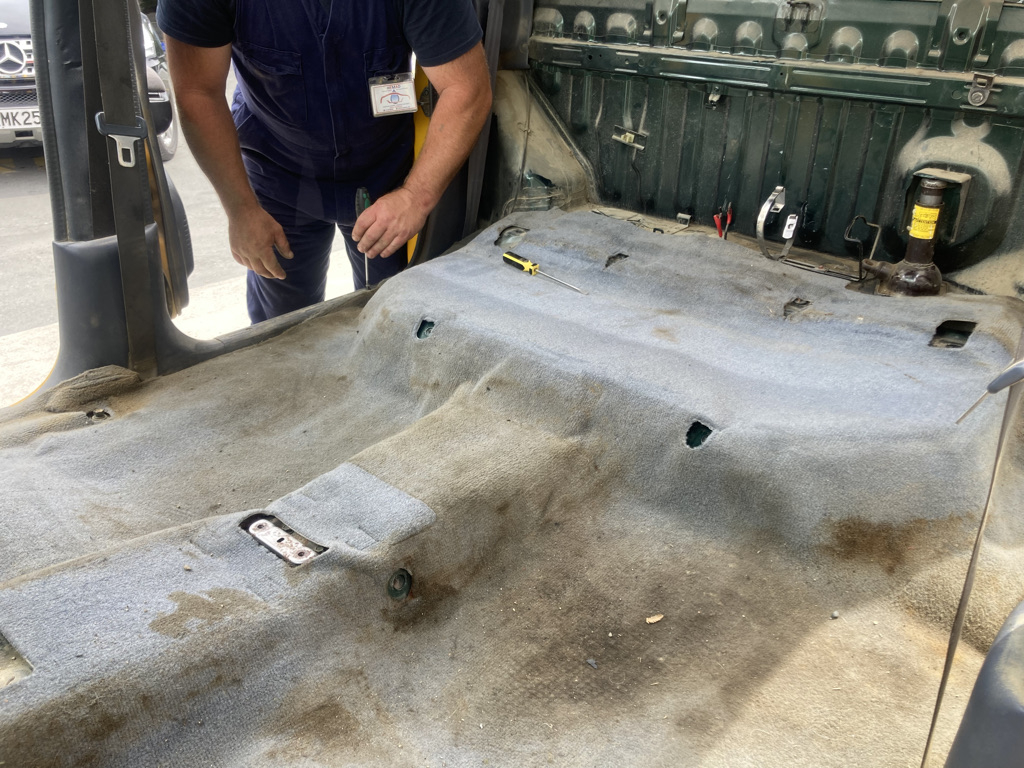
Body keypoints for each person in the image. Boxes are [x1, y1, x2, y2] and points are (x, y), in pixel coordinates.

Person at [156, 0, 492, 323]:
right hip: (277, 173)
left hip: (387, 172)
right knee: (283, 325)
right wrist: (241, 210)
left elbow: (465, 87)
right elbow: (198, 92)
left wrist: (415, 197)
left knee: (395, 311)